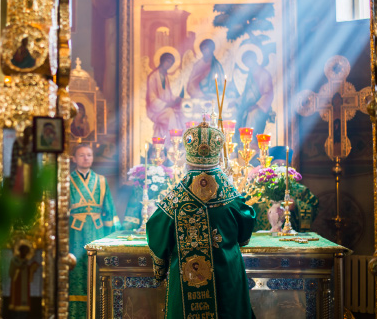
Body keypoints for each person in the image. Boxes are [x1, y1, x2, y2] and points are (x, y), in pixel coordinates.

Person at [147, 121, 256, 318]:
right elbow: (245, 229)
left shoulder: (177, 197)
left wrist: (159, 269)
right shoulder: (229, 196)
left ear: (188, 161)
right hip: (227, 276)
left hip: (186, 278)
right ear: (217, 160)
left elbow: (156, 228)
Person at [69, 144, 120, 318]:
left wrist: (113, 235)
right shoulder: (66, 180)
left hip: (97, 232)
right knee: (76, 271)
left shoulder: (101, 180)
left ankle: (98, 312)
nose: (86, 158)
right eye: (82, 155)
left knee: (97, 271)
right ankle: (76, 314)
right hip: (74, 232)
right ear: (74, 158)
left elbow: (109, 210)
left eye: (89, 155)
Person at [86, 0, 138, 101]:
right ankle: (110, 95)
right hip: (113, 19)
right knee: (112, 54)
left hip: (129, 20)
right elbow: (104, 0)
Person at [250, 146, 319, 232]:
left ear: (290, 167)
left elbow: (313, 207)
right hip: (262, 239)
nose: (280, 168)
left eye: (284, 165)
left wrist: (296, 205)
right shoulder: (259, 189)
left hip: (289, 239)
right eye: (277, 165)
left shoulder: (301, 190)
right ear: (271, 167)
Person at [146, 52, 183, 140]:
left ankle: (177, 142)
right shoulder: (153, 77)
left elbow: (168, 95)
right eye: (168, 61)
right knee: (171, 115)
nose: (169, 64)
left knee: (180, 113)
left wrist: (177, 99)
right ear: (162, 61)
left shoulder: (165, 77)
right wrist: (166, 105)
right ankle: (173, 141)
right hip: (155, 110)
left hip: (165, 108)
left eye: (171, 63)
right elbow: (152, 99)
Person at [236, 50, 274, 135]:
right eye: (245, 62)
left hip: (260, 107)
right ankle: (239, 141)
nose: (247, 63)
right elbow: (246, 93)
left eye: (248, 60)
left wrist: (257, 105)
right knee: (236, 112)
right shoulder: (251, 75)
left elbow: (268, 93)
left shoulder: (263, 73)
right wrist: (236, 102)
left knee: (252, 115)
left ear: (254, 59)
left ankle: (251, 141)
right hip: (249, 105)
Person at [8, 241, 40, 317]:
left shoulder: (26, 262)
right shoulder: (15, 260)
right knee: (16, 313)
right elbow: (11, 273)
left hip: (24, 290)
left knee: (24, 312)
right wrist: (19, 268)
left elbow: (29, 276)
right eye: (24, 251)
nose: (25, 254)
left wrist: (32, 268)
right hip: (17, 287)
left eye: (26, 252)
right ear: (20, 251)